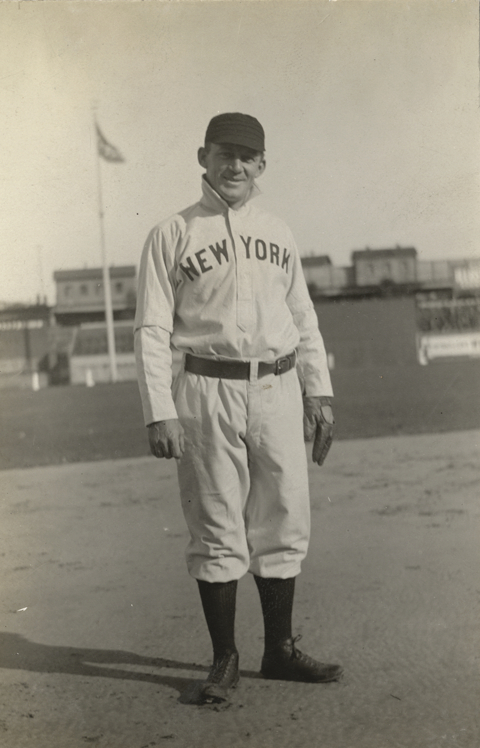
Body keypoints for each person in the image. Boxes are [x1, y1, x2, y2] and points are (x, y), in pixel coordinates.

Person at [134, 112, 343, 703]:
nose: (235, 165)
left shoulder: (279, 231)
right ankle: (224, 658)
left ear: (262, 165)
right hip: (207, 389)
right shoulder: (173, 233)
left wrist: (319, 390)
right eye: (225, 153)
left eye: (247, 157)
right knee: (216, 521)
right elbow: (152, 328)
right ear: (203, 156)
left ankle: (279, 651)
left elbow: (302, 317)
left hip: (277, 385)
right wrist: (158, 408)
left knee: (285, 515)